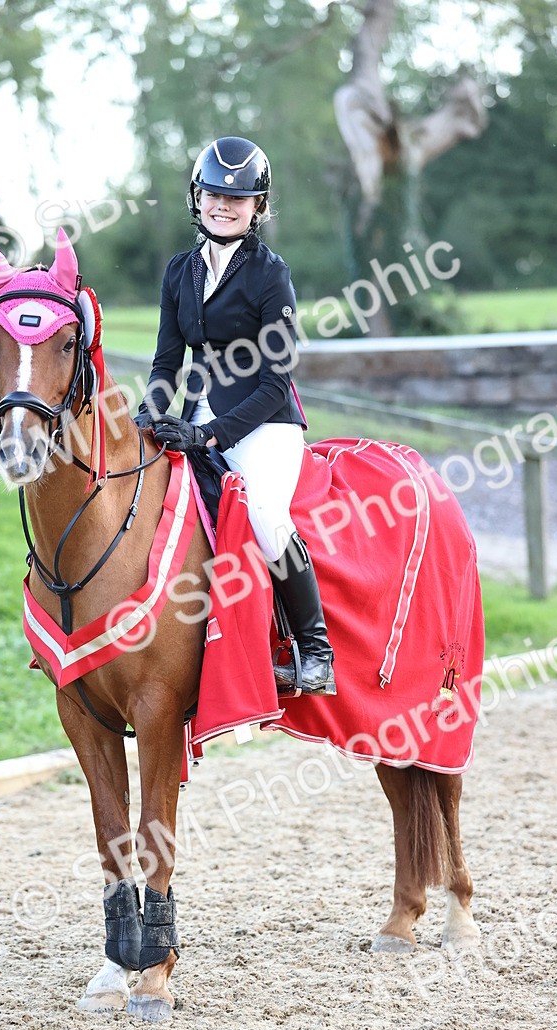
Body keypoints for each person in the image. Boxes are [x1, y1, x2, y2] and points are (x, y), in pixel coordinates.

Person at [137, 135, 335, 696]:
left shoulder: (270, 275)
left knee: (267, 515)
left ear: (258, 207)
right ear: (196, 198)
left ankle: (314, 649)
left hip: (265, 425)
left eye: (238, 198)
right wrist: (147, 419)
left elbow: (277, 383)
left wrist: (208, 435)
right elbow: (166, 364)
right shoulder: (180, 271)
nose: (223, 205)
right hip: (197, 414)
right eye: (213, 194)